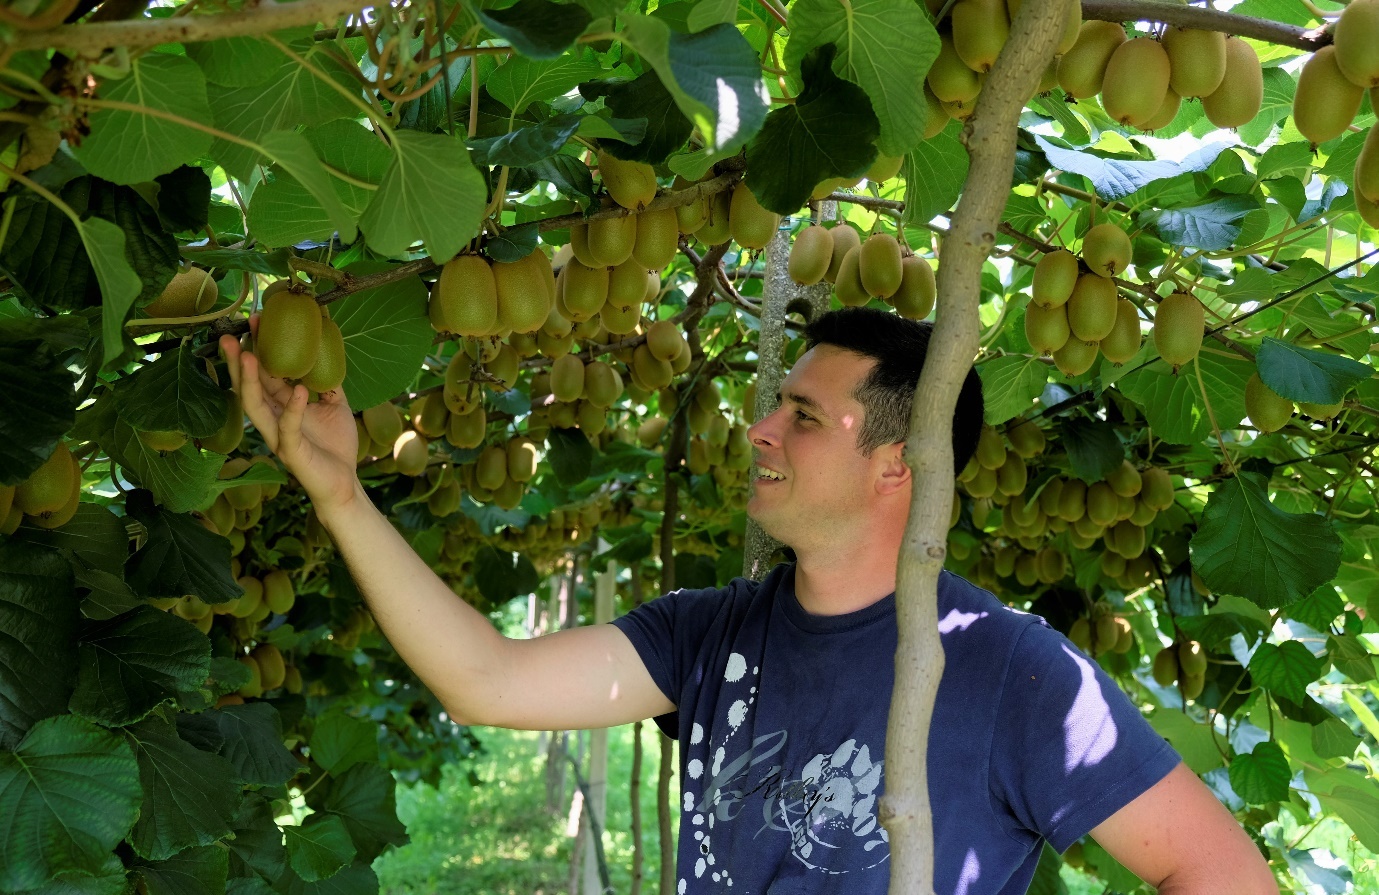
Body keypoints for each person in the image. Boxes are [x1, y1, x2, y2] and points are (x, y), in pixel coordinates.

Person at [221, 306, 1276, 895]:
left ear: (897, 465)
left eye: (801, 416)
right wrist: (339, 492)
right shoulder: (708, 632)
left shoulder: (1012, 670)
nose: (758, 429)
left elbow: (1221, 875)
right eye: (774, 406)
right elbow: (484, 680)